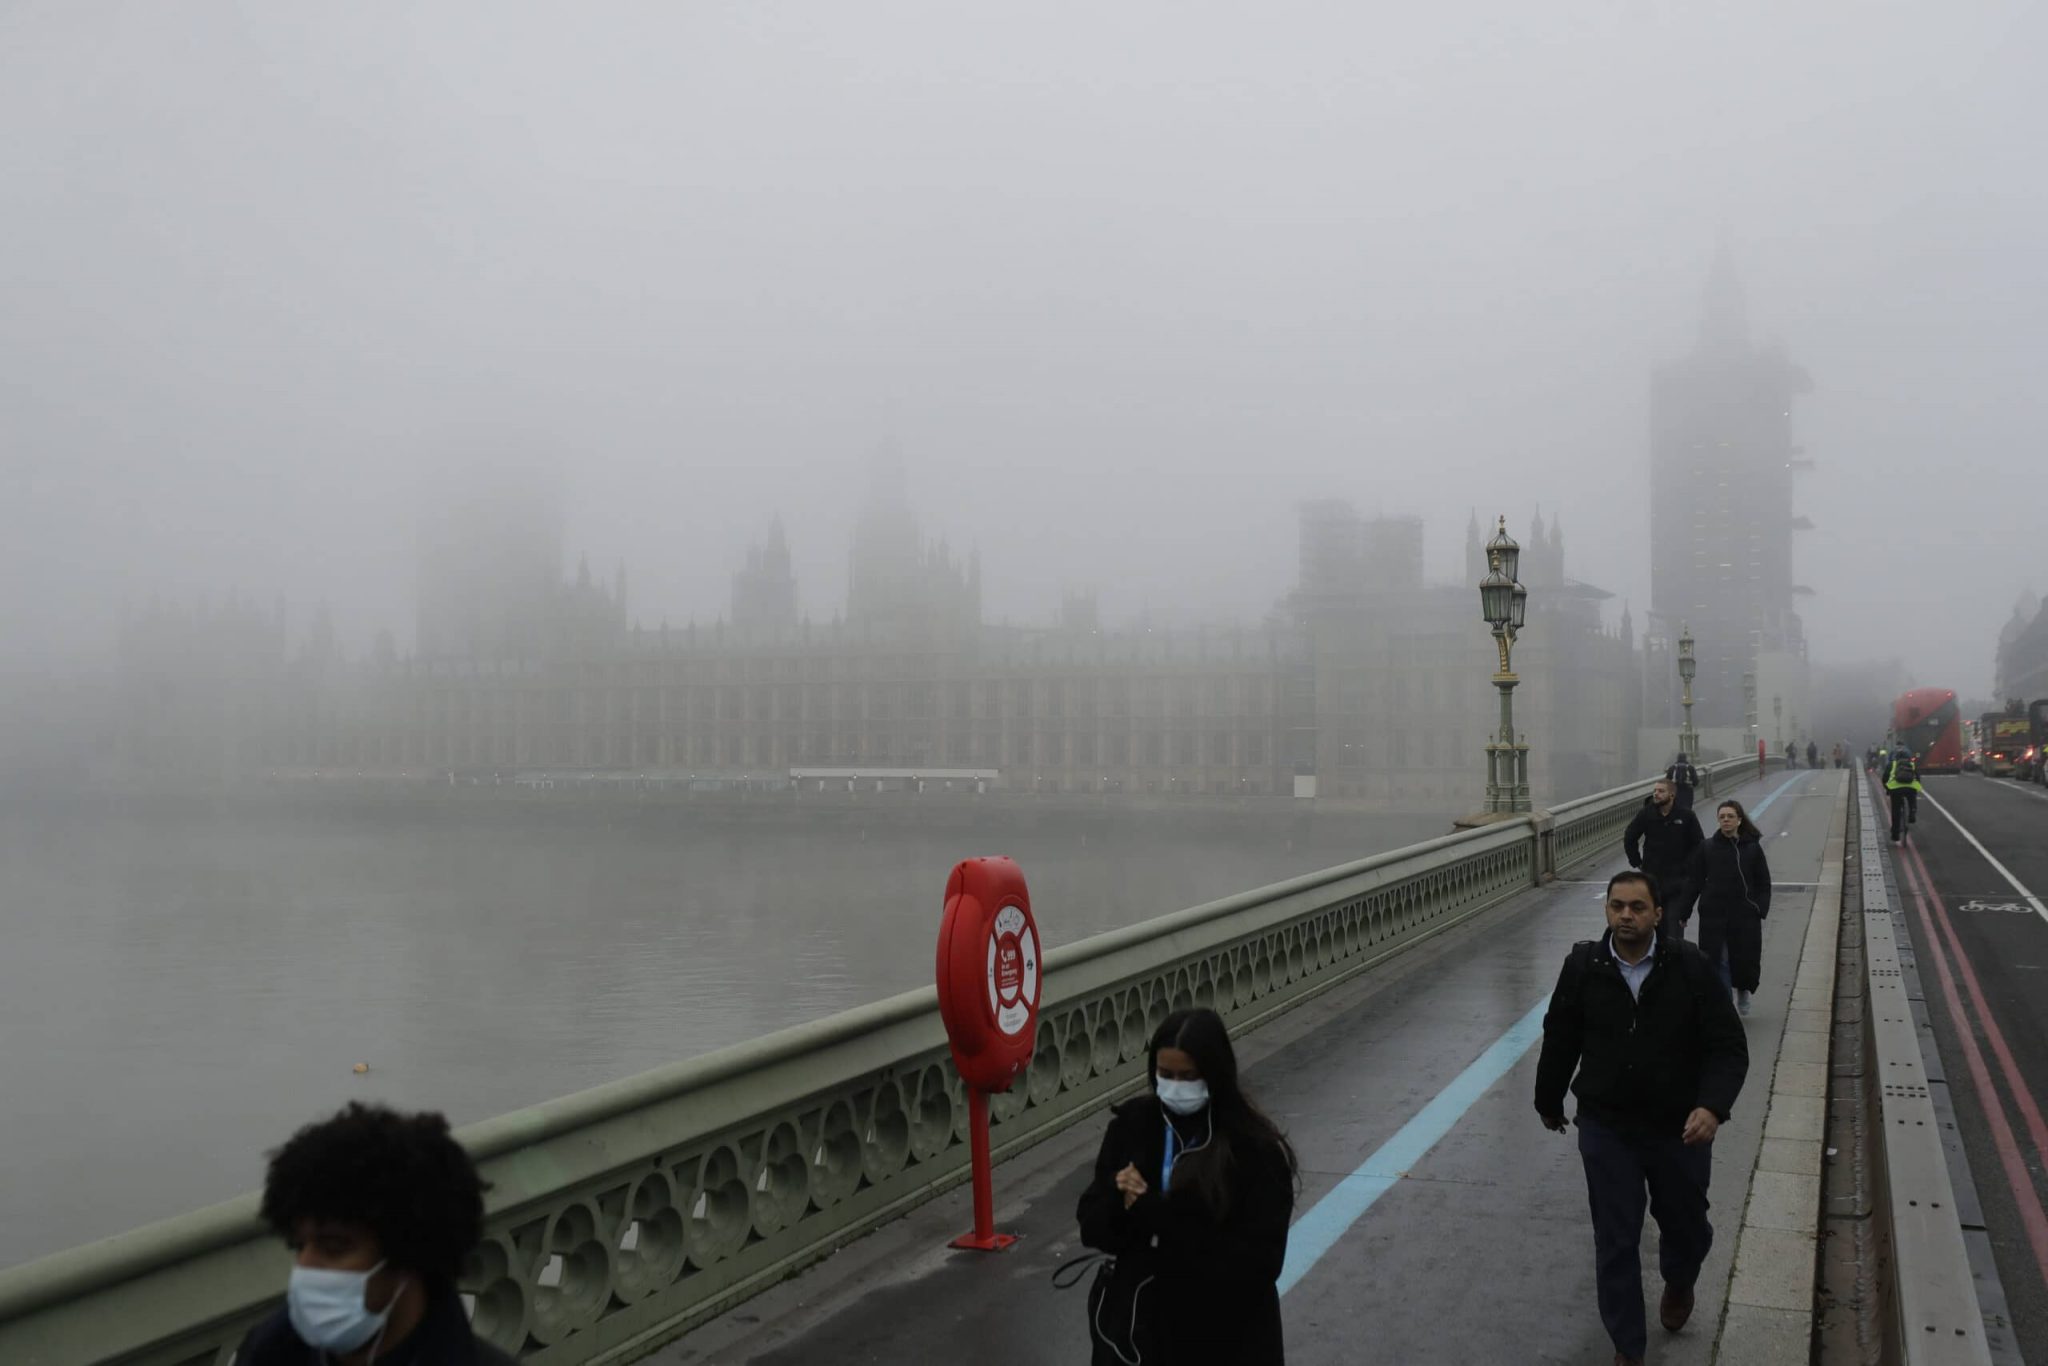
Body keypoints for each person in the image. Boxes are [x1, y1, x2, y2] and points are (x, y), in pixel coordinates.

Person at [1534, 870, 1750, 1366]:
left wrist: (1712, 1107)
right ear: (1607, 910)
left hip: (1678, 1126)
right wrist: (1548, 1101)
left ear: (1657, 913)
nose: (1625, 916)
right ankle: (1628, 1348)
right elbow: (1561, 1037)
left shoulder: (1689, 966)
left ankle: (1680, 1278)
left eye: (1636, 907)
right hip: (1607, 1126)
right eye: (1617, 906)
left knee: (1686, 1227)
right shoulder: (1583, 966)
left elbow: (1727, 1047)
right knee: (1615, 1238)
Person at [1076, 1007, 1298, 1365]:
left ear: (1215, 1075)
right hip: (1142, 1335)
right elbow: (1093, 1227)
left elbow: (1259, 1264)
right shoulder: (1133, 1127)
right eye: (1165, 1075)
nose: (1175, 1087)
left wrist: (1154, 1212)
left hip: (1226, 1338)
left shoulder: (1253, 1150)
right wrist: (1117, 1200)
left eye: (1188, 1076)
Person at [237, 1102, 520, 1365]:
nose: (305, 1266)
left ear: (409, 1252)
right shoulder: (265, 1354)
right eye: (299, 1246)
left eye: (334, 1247)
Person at [1691, 799, 1773, 1015]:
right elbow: (1695, 881)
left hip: (1744, 916)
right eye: (1722, 817)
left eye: (1730, 816)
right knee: (1719, 959)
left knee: (1742, 959)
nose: (1726, 820)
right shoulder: (1707, 848)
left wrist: (1760, 908)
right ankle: (1726, 1006)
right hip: (1714, 915)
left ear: (1739, 820)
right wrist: (1684, 911)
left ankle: (1743, 991)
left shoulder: (1752, 849)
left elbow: (1763, 882)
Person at [1623, 778, 1704, 941]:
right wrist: (1636, 862)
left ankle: (1674, 956)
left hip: (1678, 882)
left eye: (1661, 791)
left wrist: (1689, 866)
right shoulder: (1647, 814)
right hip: (1652, 880)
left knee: (1674, 928)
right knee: (1653, 926)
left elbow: (1699, 844)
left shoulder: (1686, 815)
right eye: (1655, 791)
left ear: (1672, 795)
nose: (1656, 794)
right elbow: (1630, 837)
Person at [1883, 745, 1922, 843]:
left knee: (1895, 810)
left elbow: (1884, 778)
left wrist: (1887, 789)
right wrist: (1916, 786)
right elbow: (1918, 777)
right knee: (1912, 798)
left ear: (1896, 757)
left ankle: (1895, 834)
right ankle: (1912, 812)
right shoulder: (1912, 764)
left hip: (1895, 789)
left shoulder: (1891, 764)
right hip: (1910, 787)